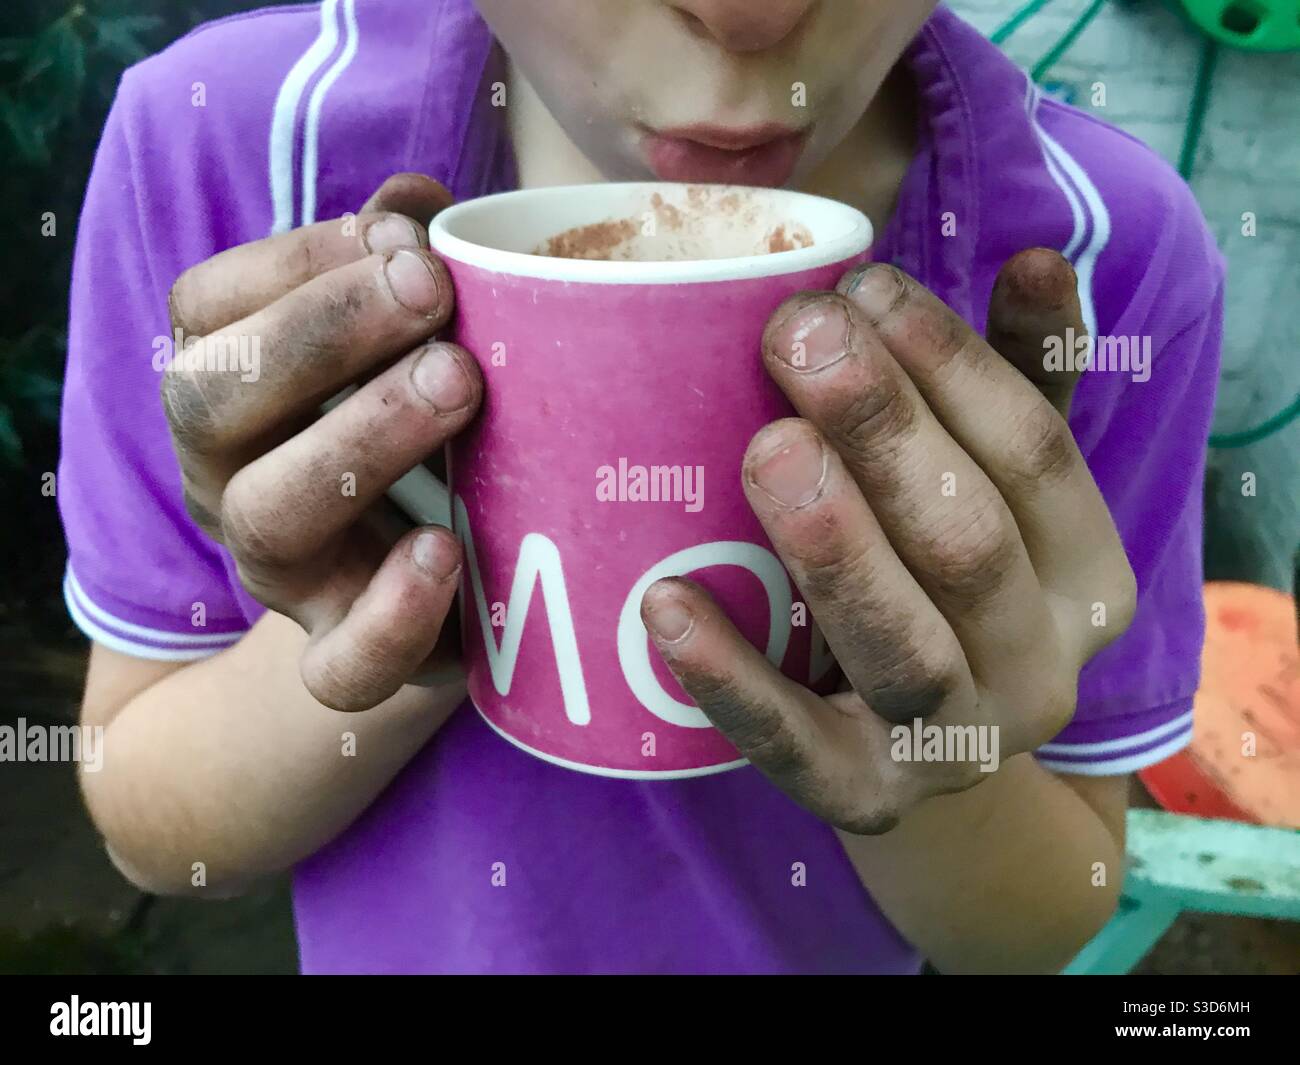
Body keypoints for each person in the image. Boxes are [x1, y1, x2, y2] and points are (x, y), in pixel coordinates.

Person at [62, 0, 1224, 974]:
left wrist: (924, 749)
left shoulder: (1105, 258)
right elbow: (152, 823)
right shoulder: (228, 148)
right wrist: (428, 594)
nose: (747, 15)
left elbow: (1047, 913)